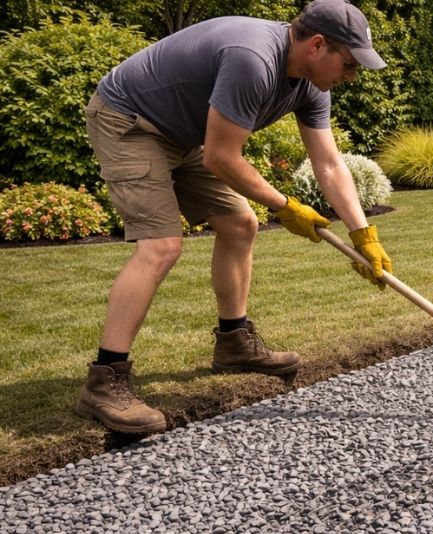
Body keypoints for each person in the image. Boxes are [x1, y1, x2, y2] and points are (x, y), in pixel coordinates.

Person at [75, 0, 393, 434]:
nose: (352, 76)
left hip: (185, 135)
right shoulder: (253, 60)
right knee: (162, 246)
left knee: (240, 224)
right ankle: (105, 380)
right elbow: (223, 157)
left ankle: (233, 344)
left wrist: (364, 235)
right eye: (350, 64)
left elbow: (330, 164)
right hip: (130, 122)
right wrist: (286, 207)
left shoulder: (314, 86)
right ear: (318, 45)